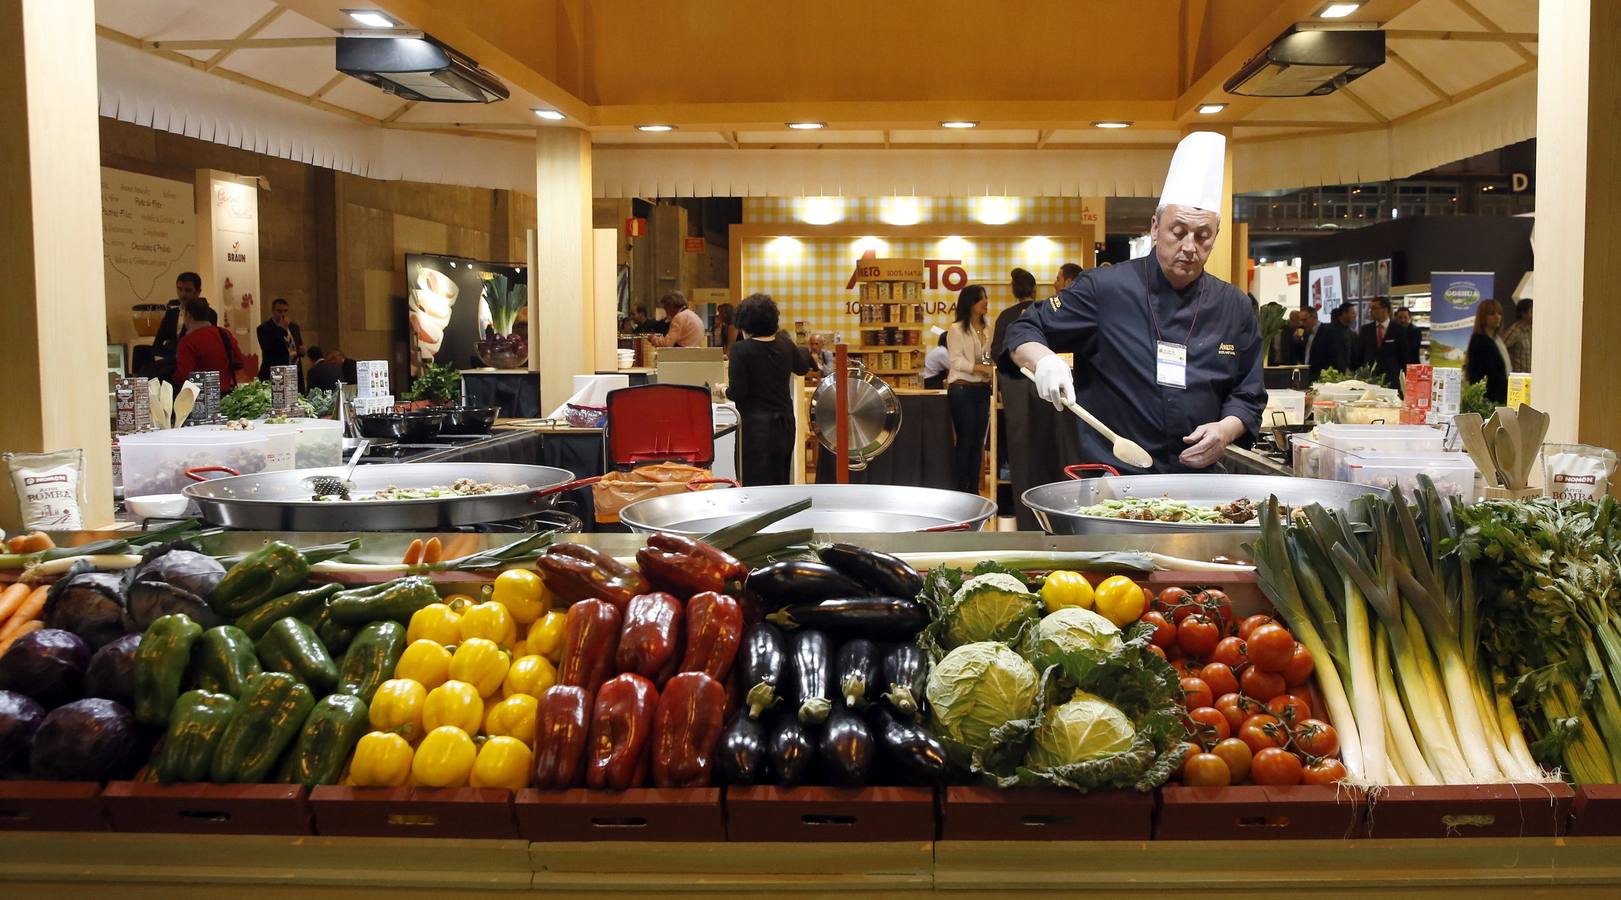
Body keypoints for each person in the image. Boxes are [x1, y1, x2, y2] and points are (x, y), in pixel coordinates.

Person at [1007, 131, 1266, 473]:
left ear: (1215, 237)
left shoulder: (1234, 305)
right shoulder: (1105, 289)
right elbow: (1024, 328)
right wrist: (1043, 361)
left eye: (1203, 236)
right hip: (1113, 478)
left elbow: (1248, 395)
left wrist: (1225, 429)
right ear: (1156, 228)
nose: (1190, 246)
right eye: (1178, 231)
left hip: (1198, 482)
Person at [721, 293, 811, 486]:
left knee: (756, 485)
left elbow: (738, 392)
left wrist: (722, 391)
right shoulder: (785, 344)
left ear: (745, 324)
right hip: (785, 424)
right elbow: (802, 368)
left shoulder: (740, 350)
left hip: (756, 429)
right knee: (781, 479)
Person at [946, 284, 994, 493]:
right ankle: (961, 490)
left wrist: (986, 368)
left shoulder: (988, 327)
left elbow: (986, 356)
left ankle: (974, 490)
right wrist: (978, 368)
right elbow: (956, 361)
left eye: (985, 298)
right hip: (962, 390)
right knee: (965, 440)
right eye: (980, 299)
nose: (985, 302)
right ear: (970, 303)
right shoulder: (956, 329)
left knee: (979, 443)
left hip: (982, 390)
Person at [173, 297, 247, 393]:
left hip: (201, 398)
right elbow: (239, 362)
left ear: (189, 315)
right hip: (226, 395)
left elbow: (183, 376)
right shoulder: (224, 333)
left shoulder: (188, 341)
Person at [148, 272, 205, 378]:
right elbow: (157, 344)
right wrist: (172, 357)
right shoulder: (171, 314)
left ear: (198, 292)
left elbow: (204, 349)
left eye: (188, 290)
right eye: (179, 289)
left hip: (196, 370)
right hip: (172, 366)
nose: (183, 294)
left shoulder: (208, 314)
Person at [1465, 299, 1510, 404]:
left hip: (1498, 396)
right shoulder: (1480, 342)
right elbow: (1486, 374)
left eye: (1499, 313)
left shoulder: (1496, 340)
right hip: (1488, 399)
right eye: (1492, 314)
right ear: (1483, 317)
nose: (1497, 317)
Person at [1354, 296, 1404, 388]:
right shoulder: (1366, 330)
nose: (1371, 311)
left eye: (1374, 308)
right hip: (1370, 379)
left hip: (1392, 380)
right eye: (1370, 308)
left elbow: (1404, 356)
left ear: (1385, 309)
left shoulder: (1399, 330)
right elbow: (1359, 354)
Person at [257, 297, 304, 385]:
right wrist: (281, 329)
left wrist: (301, 351)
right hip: (276, 370)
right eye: (279, 311)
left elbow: (298, 345)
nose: (283, 314)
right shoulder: (264, 328)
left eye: (285, 311)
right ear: (273, 311)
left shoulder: (294, 327)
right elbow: (267, 348)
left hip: (293, 369)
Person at [1308, 303, 1356, 383]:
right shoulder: (1328, 330)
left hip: (1344, 376)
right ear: (1344, 313)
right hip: (1328, 376)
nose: (1354, 315)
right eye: (1352, 313)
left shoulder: (1351, 333)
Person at [1501, 298, 1533, 372]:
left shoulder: (1532, 330)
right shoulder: (1514, 331)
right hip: (1517, 379)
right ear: (1523, 313)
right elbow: (1499, 350)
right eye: (1532, 311)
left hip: (1529, 379)